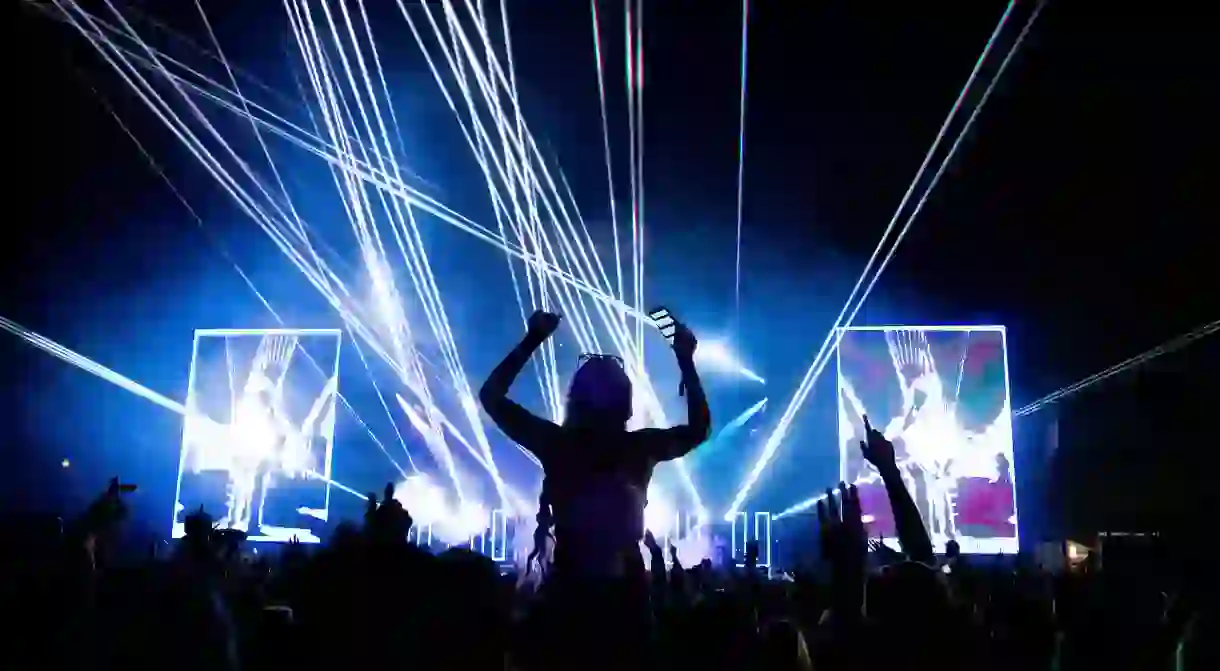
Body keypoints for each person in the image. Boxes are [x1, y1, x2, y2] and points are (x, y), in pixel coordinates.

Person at [478, 309, 711, 578]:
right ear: (626, 404)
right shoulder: (640, 447)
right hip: (625, 592)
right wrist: (686, 362)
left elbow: (491, 396)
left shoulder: (557, 444)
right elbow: (698, 429)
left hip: (570, 587)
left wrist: (533, 339)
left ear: (574, 399)